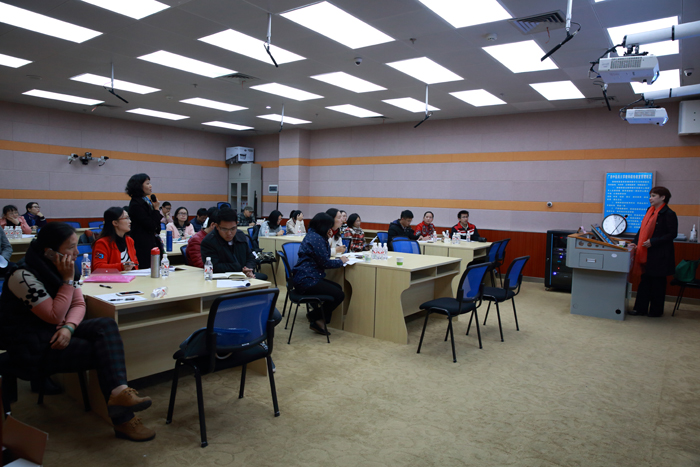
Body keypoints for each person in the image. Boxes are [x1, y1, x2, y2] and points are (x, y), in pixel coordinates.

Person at [0, 223, 155, 441]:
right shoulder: (22, 275)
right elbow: (54, 315)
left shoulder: (63, 267)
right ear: (50, 252)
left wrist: (69, 327)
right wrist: (67, 280)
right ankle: (124, 420)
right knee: (103, 352)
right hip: (31, 346)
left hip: (57, 331)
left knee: (106, 326)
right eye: (71, 247)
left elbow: (78, 304)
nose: (77, 253)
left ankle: (119, 392)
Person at [292, 212, 347, 336]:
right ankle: (315, 317)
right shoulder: (316, 238)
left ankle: (318, 320)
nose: (330, 229)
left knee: (337, 288)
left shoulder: (314, 235)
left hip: (306, 277)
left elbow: (324, 255)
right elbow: (325, 262)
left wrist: (326, 239)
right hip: (307, 280)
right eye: (328, 226)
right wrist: (341, 261)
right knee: (339, 295)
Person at [628, 186, 678, 317]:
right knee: (645, 281)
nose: (650, 198)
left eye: (654, 196)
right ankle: (640, 309)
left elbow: (672, 234)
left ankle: (656, 311)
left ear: (663, 197)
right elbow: (642, 230)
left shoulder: (669, 214)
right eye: (650, 196)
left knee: (658, 283)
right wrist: (635, 241)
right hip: (647, 253)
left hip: (660, 255)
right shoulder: (649, 211)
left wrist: (653, 241)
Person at [200, 208, 265, 280]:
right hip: (222, 279)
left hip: (244, 277)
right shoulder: (209, 241)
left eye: (233, 228)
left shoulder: (240, 235)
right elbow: (214, 266)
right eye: (224, 229)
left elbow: (250, 257)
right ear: (217, 226)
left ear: (237, 224)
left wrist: (248, 269)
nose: (229, 233)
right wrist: (239, 268)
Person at [126, 173, 163, 269]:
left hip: (151, 242)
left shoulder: (147, 201)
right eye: (147, 183)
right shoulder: (136, 204)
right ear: (138, 186)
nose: (150, 186)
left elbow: (156, 227)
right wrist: (156, 210)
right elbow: (151, 225)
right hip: (142, 245)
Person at [91, 207, 138, 272]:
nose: (130, 221)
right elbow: (98, 267)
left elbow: (135, 263)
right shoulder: (102, 243)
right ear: (115, 223)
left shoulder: (130, 240)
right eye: (126, 218)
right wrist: (122, 266)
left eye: (129, 218)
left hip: (129, 277)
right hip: (109, 278)